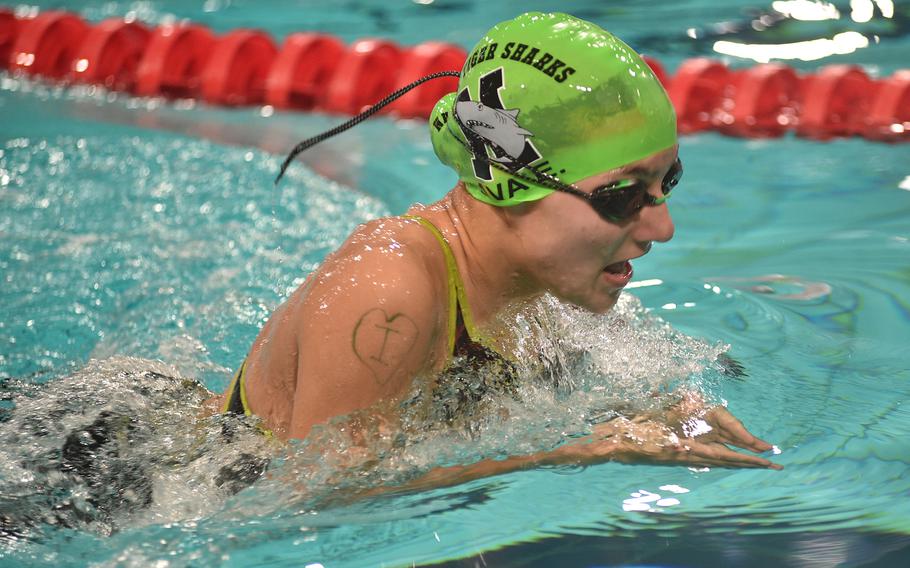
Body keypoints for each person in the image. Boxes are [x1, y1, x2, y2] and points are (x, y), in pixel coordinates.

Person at [214, 12, 782, 482]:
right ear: (511, 181)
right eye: (622, 196)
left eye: (667, 183)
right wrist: (573, 450)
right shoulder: (388, 287)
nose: (663, 228)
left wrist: (659, 408)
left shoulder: (549, 284)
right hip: (167, 485)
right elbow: (315, 492)